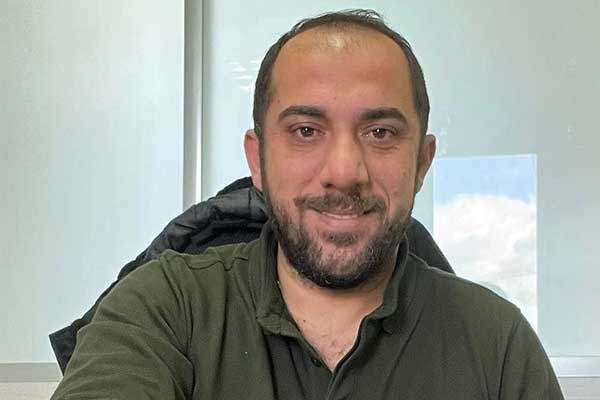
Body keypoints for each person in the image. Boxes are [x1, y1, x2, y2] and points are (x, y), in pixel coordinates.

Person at [51, 9, 563, 399]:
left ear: (422, 163)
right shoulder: (164, 308)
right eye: (305, 131)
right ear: (257, 160)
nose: (344, 171)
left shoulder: (498, 343)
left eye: (380, 132)